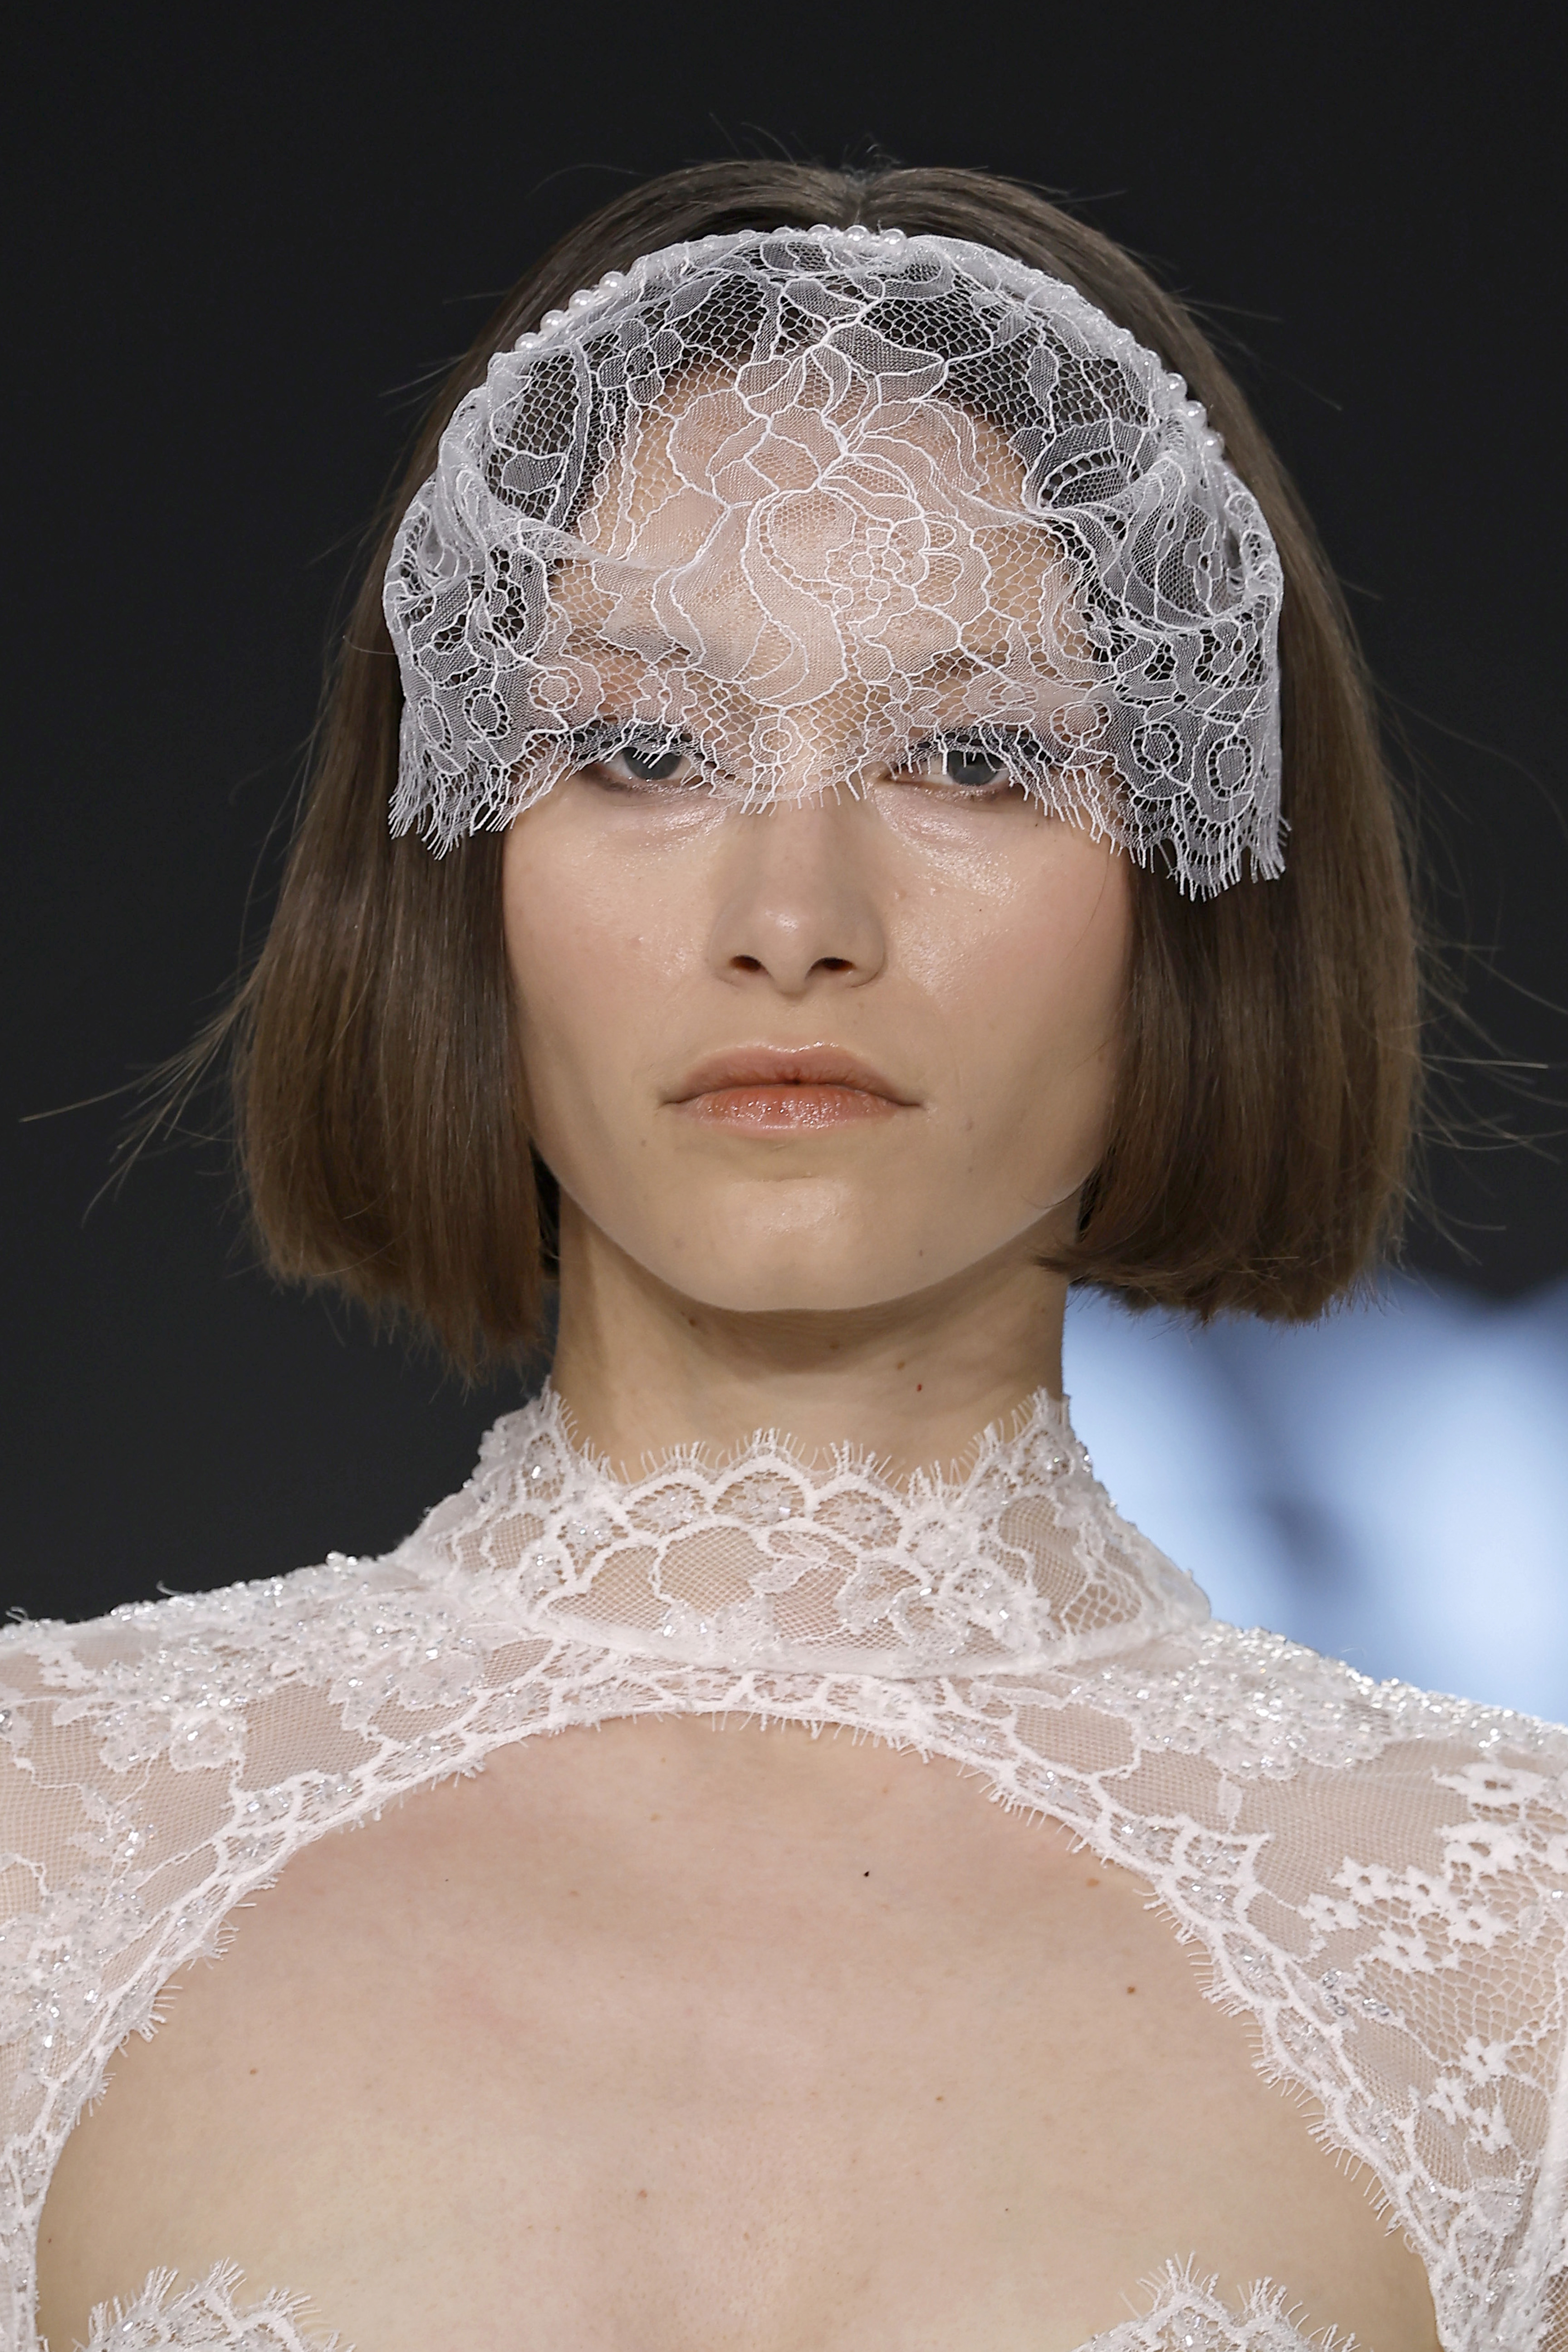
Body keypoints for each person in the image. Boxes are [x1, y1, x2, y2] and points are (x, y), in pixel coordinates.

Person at [11, 161, 1566, 2352]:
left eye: (976, 758)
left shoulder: (1515, 1964)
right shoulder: (44, 1854)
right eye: (643, 749)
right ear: (453, 860)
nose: (794, 915)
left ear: (1200, 880)